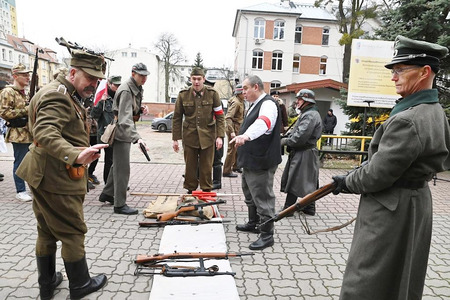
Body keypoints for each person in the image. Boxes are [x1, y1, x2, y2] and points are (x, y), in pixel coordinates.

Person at [332, 36, 450, 300]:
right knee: (402, 278)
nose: (393, 77)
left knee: (366, 279)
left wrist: (347, 182)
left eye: (399, 70)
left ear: (424, 72)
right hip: (416, 202)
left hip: (391, 207)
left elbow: (376, 175)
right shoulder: (434, 110)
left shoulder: (408, 119)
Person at [16, 50, 109, 300]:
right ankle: (80, 285)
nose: (94, 83)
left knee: (46, 231)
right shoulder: (58, 96)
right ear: (72, 72)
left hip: (44, 172)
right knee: (72, 232)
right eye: (90, 77)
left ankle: (47, 283)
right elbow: (45, 132)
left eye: (98, 79)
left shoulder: (62, 91)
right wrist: (75, 155)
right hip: (57, 176)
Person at [231, 75, 282, 250]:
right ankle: (254, 223)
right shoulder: (253, 104)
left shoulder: (268, 104)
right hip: (251, 160)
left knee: (263, 197)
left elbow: (264, 123)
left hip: (261, 161)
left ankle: (267, 235)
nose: (242, 92)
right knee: (250, 194)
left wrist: (246, 136)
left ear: (256, 87)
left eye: (245, 88)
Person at [99, 63, 149, 215]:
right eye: (141, 75)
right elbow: (125, 118)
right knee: (122, 169)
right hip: (122, 131)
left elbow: (128, 110)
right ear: (133, 73)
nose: (144, 78)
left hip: (124, 130)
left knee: (118, 165)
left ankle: (107, 193)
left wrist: (140, 109)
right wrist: (137, 138)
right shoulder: (127, 89)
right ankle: (119, 204)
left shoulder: (135, 87)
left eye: (145, 75)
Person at [172, 67, 225, 193]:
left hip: (208, 136)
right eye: (194, 79)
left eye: (199, 79)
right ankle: (190, 191)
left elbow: (220, 116)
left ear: (203, 79)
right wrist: (175, 139)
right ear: (190, 79)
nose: (196, 82)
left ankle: (206, 190)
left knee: (206, 167)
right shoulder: (183, 95)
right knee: (190, 166)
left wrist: (220, 136)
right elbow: (177, 117)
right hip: (190, 136)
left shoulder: (213, 94)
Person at [280, 89, 322, 216]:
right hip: (306, 152)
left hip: (304, 152)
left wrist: (284, 141)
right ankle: (309, 207)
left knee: (295, 179)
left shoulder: (309, 115)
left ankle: (288, 209)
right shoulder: (308, 113)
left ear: (307, 101)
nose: (297, 101)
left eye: (299, 99)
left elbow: (300, 137)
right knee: (309, 181)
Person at [0, 64, 33, 202]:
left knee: (32, 161)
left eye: (28, 74)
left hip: (29, 132)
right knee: (20, 162)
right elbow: (4, 112)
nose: (27, 77)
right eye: (24, 75)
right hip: (18, 133)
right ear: (15, 76)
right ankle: (20, 190)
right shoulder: (8, 92)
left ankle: (33, 187)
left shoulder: (24, 92)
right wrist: (26, 110)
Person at [91, 75, 121, 184]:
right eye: (115, 85)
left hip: (116, 133)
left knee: (113, 160)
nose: (117, 87)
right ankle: (107, 184)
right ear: (109, 84)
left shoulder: (119, 98)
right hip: (105, 134)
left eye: (119, 85)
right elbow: (94, 114)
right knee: (104, 159)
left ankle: (112, 183)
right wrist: (101, 102)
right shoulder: (103, 97)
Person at [223, 84, 245, 178]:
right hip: (233, 127)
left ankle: (236, 166)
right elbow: (228, 117)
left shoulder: (241, 101)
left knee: (237, 148)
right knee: (231, 149)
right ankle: (226, 171)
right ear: (239, 93)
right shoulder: (236, 103)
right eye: (243, 92)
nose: (245, 94)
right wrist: (231, 131)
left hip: (238, 127)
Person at [84, 95, 100, 189]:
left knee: (96, 154)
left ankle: (90, 173)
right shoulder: (83, 96)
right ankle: (84, 178)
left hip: (95, 131)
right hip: (85, 132)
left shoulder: (98, 95)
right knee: (85, 155)